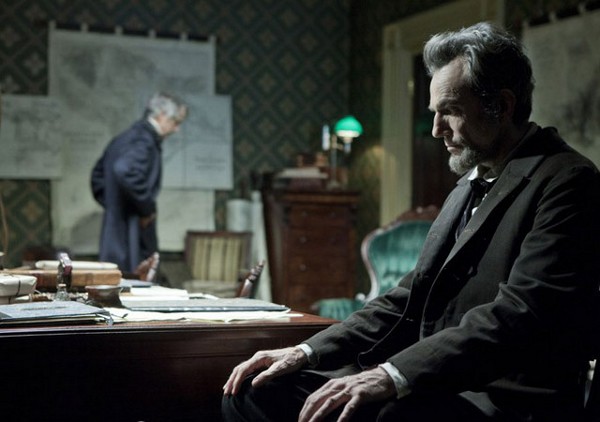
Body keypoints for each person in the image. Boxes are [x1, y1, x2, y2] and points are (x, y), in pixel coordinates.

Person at [221, 22, 600, 422]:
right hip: (433, 385)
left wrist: (391, 375)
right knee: (256, 391)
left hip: (501, 401)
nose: (436, 130)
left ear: (502, 106)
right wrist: (306, 351)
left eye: (450, 111)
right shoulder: (469, 183)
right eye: (435, 113)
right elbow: (408, 297)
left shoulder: (568, 180)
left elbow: (520, 314)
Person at [91, 92, 187, 274]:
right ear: (161, 115)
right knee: (137, 281)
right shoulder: (143, 139)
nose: (176, 129)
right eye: (175, 122)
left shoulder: (124, 138)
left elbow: (97, 177)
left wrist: (114, 204)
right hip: (133, 230)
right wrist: (145, 209)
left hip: (115, 227)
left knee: (117, 279)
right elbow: (124, 170)